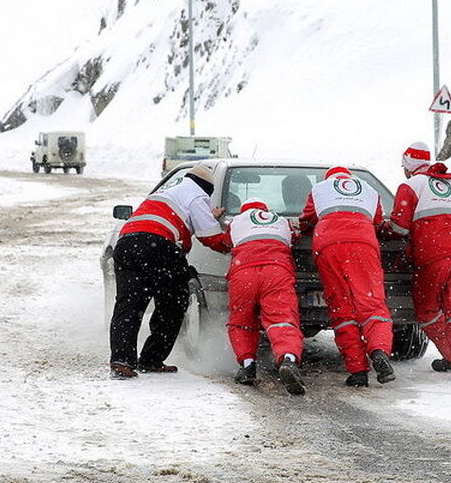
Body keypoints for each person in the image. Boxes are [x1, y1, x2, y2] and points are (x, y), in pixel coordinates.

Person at [108, 162, 231, 379]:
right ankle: (151, 359)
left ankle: (121, 361)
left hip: (127, 243)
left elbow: (178, 214)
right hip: (159, 246)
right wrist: (235, 246)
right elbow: (210, 237)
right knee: (173, 304)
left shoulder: (168, 192)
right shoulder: (198, 197)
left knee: (129, 304)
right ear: (207, 188)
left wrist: (205, 215)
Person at [298, 166, 395, 387]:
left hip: (328, 245)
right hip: (363, 243)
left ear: (329, 178)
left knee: (341, 309)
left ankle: (358, 370)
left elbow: (306, 220)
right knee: (371, 304)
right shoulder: (370, 190)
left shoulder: (319, 188)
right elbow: (378, 222)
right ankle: (379, 350)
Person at [389, 142, 451, 380]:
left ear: (408, 167)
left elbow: (398, 227)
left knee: (428, 309)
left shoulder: (410, 186)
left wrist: (384, 228)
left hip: (433, 257)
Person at [225, 198, 306, 396]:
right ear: (266, 210)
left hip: (243, 272)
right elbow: (296, 237)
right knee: (282, 320)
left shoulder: (236, 222)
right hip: (276, 270)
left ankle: (247, 365)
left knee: (242, 321)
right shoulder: (280, 220)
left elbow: (223, 242)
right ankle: (288, 359)